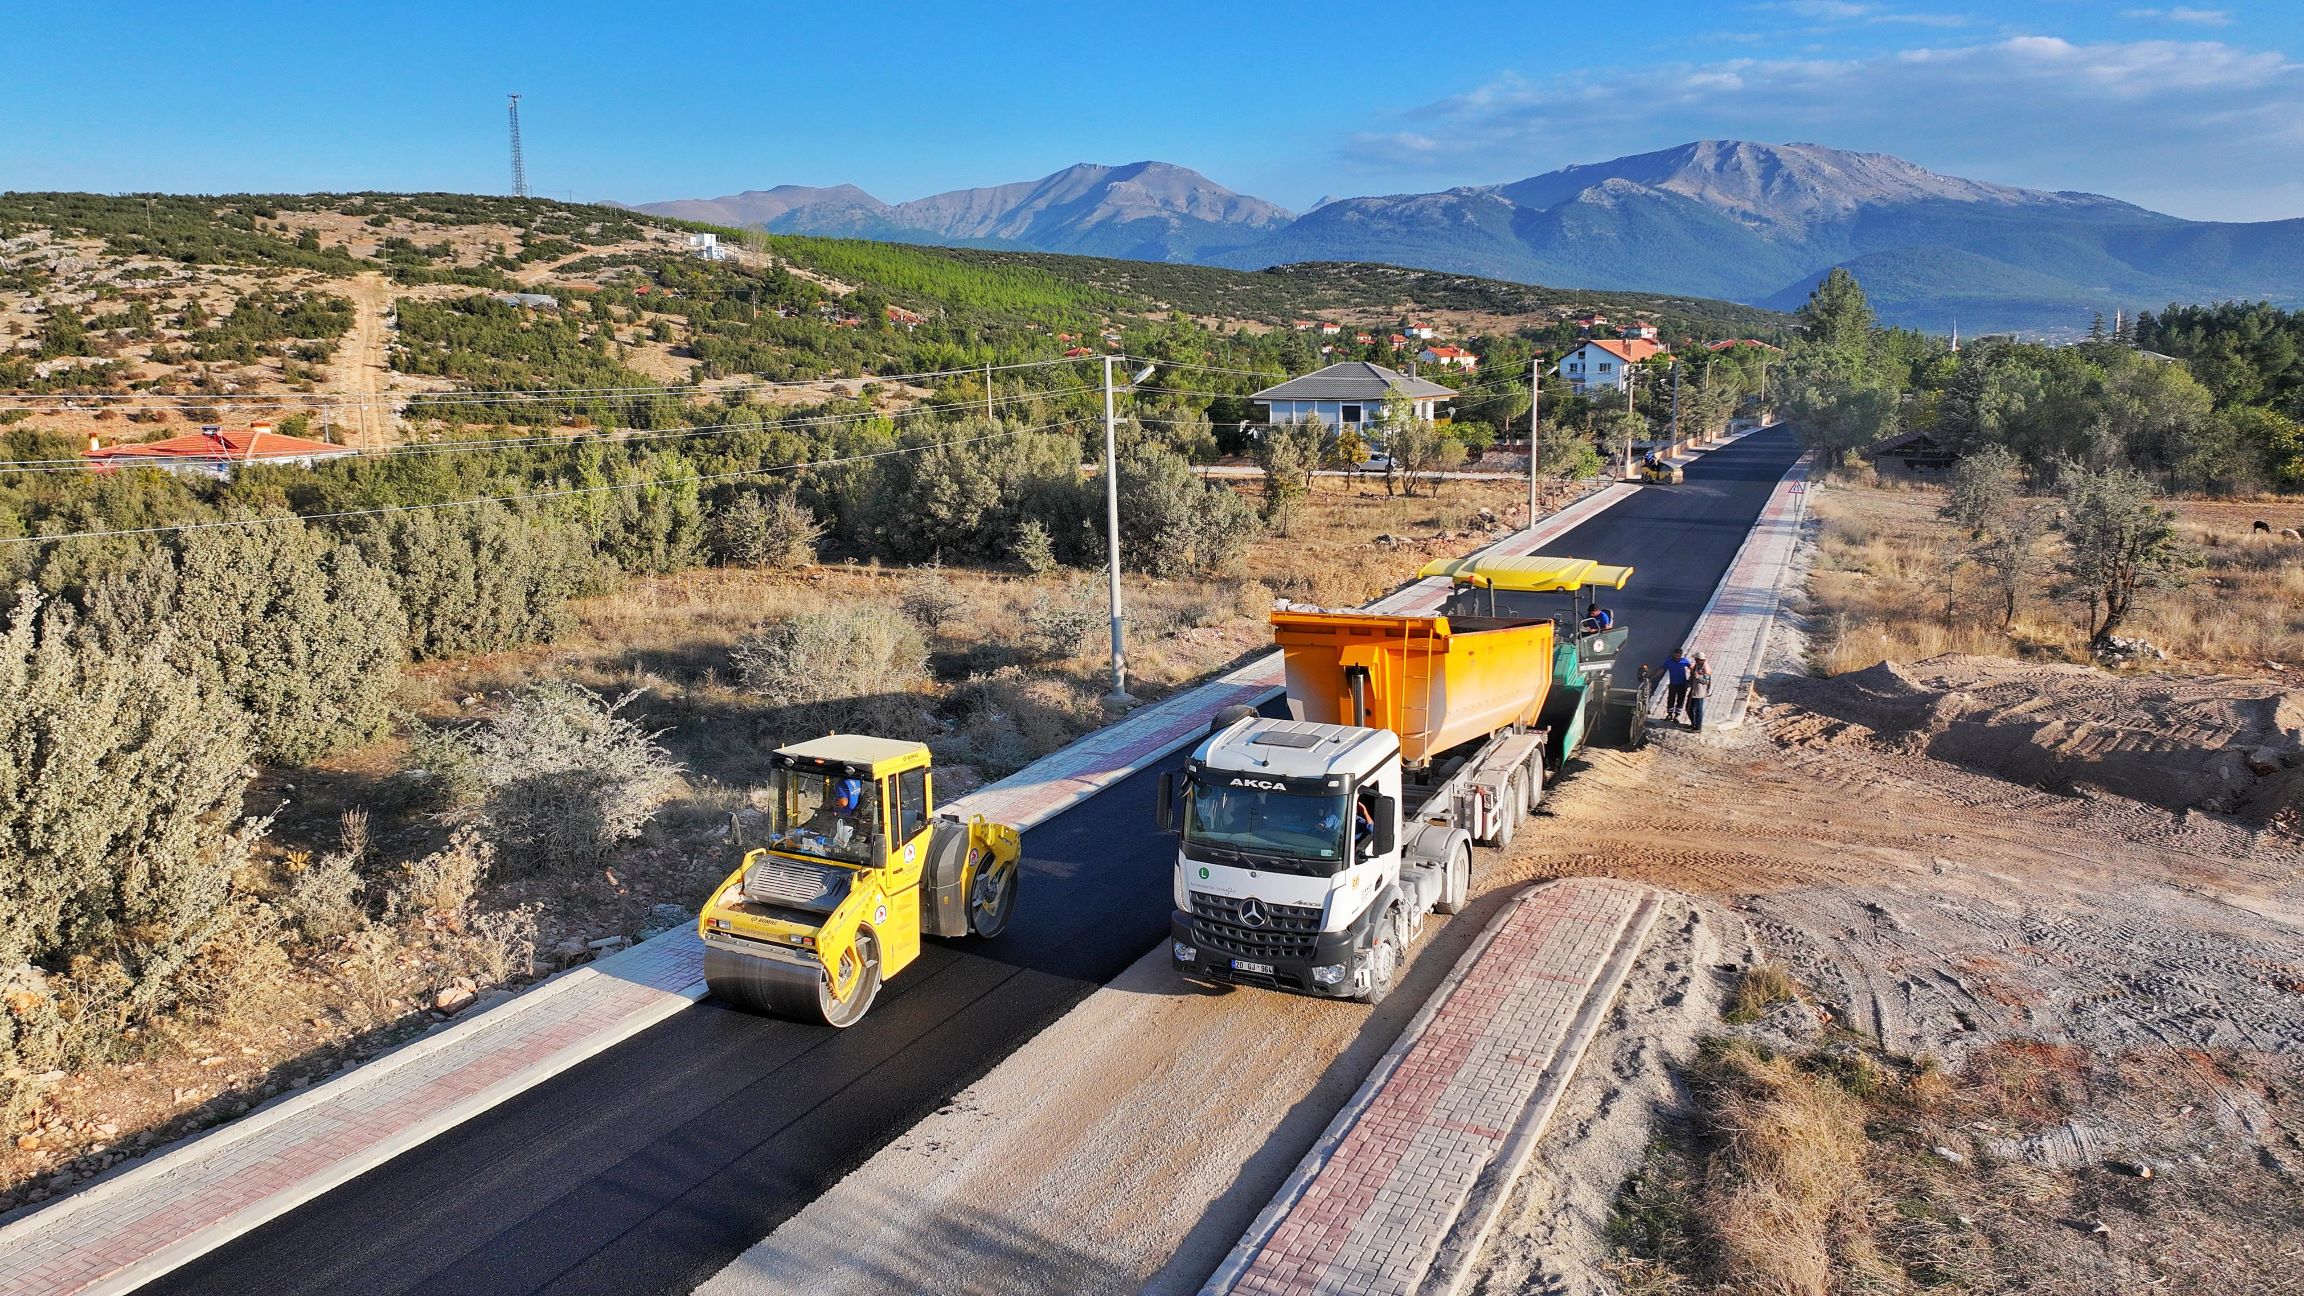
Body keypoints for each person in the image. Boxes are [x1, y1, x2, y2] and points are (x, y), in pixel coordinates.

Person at [1661, 647, 1694, 723]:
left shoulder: (1684, 661)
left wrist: (1690, 680)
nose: (1677, 657)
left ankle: (1677, 715)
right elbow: (1662, 669)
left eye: (1678, 656)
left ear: (1681, 655)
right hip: (1673, 684)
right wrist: (1652, 675)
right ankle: (1669, 714)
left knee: (1681, 700)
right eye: (1676, 655)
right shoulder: (1668, 662)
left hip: (1682, 684)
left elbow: (1692, 668)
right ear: (1673, 655)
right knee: (1670, 699)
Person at [1686, 653, 1714, 731]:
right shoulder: (1696, 666)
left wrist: (1698, 678)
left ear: (1700, 660)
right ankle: (1693, 723)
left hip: (1700, 692)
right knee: (1689, 708)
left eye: (1696, 659)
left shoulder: (1705, 669)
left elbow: (1706, 681)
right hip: (1694, 690)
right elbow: (1692, 677)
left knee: (1698, 710)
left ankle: (1698, 727)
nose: (1695, 660)